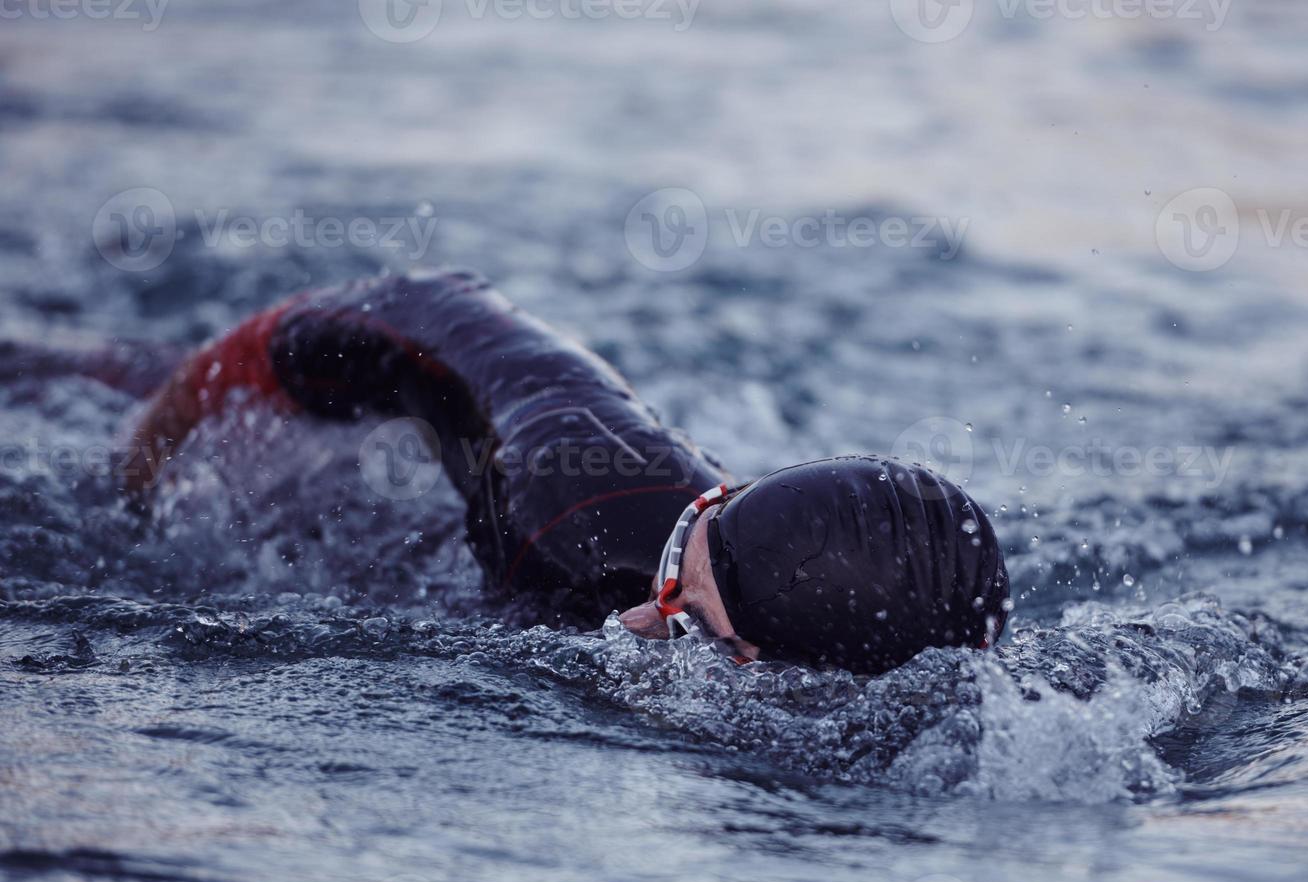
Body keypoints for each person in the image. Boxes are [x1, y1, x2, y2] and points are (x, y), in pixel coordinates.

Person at [117, 269, 1010, 672]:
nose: (632, 621)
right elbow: (417, 309)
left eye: (692, 627)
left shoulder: (914, 658)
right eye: (672, 578)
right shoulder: (559, 500)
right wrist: (142, 466)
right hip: (373, 421)